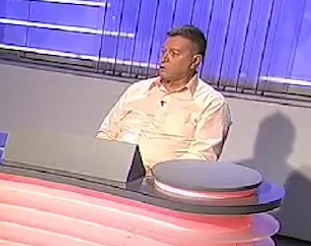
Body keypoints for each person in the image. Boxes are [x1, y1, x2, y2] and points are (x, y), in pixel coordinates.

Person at [95, 25, 231, 170]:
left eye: (174, 54)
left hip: (161, 180)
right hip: (112, 170)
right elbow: (107, 132)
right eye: (164, 52)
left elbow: (201, 158)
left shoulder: (211, 103)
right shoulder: (137, 90)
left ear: (195, 61)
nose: (164, 59)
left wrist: (160, 175)